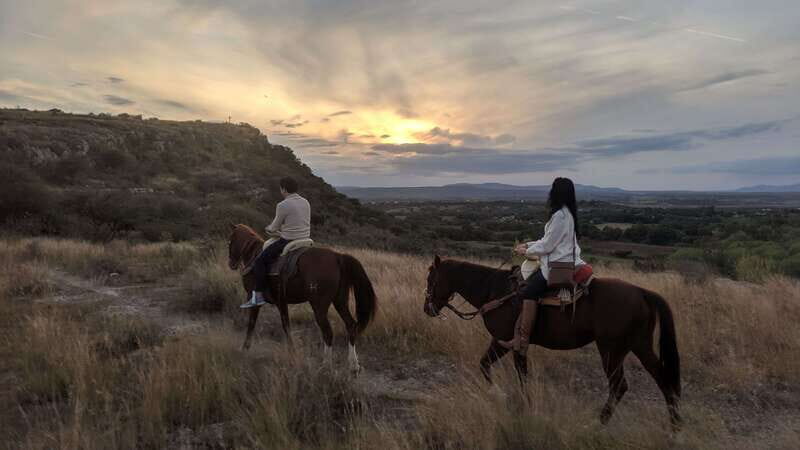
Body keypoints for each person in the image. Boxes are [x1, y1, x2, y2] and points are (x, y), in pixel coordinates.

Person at [500, 177, 585, 353]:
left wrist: (525, 252)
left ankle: (523, 340)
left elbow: (547, 246)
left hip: (556, 265)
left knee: (528, 291)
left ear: (556, 193)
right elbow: (546, 240)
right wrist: (528, 245)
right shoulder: (566, 214)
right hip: (561, 259)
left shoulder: (560, 216)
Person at [240, 176, 311, 308]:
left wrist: (268, 229)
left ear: (283, 189)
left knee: (260, 261)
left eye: (281, 188)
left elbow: (274, 228)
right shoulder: (305, 202)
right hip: (305, 239)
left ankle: (259, 296)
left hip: (288, 240)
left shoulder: (283, 205)